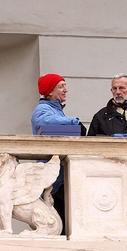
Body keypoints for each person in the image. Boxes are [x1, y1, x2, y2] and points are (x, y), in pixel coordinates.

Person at [31, 73, 86, 235]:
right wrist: (74, 121)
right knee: (56, 225)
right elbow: (43, 122)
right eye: (61, 86)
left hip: (58, 178)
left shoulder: (55, 110)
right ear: (49, 92)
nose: (65, 90)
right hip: (52, 179)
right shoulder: (42, 109)